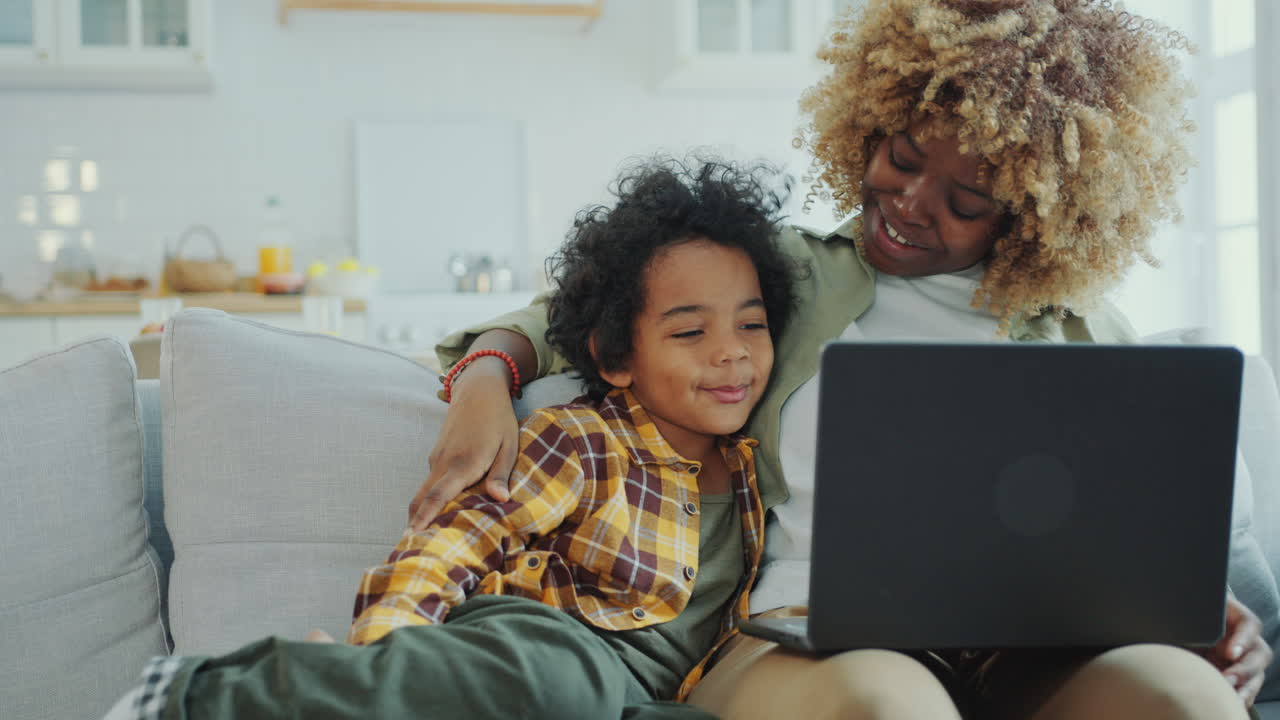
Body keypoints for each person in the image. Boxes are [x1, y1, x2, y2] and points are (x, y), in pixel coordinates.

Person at [410, 1, 1272, 718]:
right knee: (890, 709)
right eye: (900, 156)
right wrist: (485, 376)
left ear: (1036, 213)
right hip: (806, 631)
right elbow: (568, 315)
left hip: (1032, 646)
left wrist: (1193, 610)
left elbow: (1131, 536)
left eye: (966, 199)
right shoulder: (778, 272)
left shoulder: (1088, 334)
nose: (908, 201)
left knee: (1184, 701)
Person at [100, 158, 797, 720]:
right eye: (689, 331)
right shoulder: (584, 440)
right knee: (563, 682)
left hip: (639, 696)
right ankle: (197, 697)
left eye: (751, 324)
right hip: (542, 646)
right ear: (616, 356)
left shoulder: (751, 476)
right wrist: (381, 650)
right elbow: (452, 543)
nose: (731, 353)